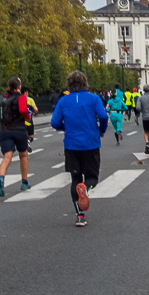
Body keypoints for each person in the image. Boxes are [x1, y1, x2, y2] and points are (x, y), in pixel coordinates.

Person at [51, 70, 108, 227]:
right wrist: (101, 130)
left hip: (71, 144)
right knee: (92, 177)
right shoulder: (93, 98)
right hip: (90, 143)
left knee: (75, 179)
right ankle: (86, 187)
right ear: (85, 83)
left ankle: (80, 215)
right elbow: (103, 116)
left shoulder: (63, 101)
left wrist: (66, 126)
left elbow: (55, 122)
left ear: (68, 84)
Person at [0, 76, 33, 197]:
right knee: (23, 155)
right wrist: (28, 117)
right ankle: (24, 181)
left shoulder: (2, 97)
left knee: (7, 157)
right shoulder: (21, 97)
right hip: (19, 130)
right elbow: (23, 110)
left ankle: (1, 178)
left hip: (5, 130)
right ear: (19, 86)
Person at [22, 87, 39, 153]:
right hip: (28, 120)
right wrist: (35, 113)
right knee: (31, 136)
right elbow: (36, 109)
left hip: (21, 121)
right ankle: (28, 141)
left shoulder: (18, 99)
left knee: (22, 134)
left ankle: (25, 142)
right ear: (26, 92)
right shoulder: (30, 100)